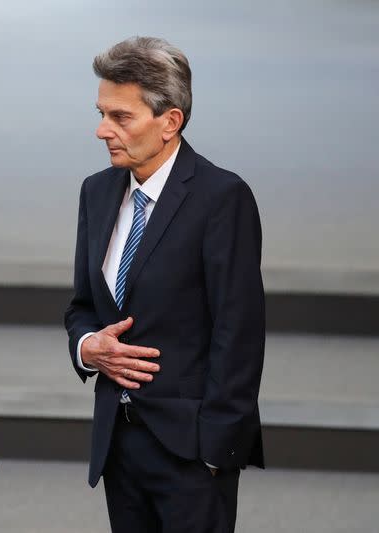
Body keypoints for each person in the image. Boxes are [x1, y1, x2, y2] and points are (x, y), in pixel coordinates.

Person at [64, 37, 265, 533]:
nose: (101, 130)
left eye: (120, 117)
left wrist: (215, 455)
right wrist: (89, 347)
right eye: (101, 113)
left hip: (192, 453)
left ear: (170, 122)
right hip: (119, 446)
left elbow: (237, 333)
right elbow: (82, 307)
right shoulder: (97, 191)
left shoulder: (223, 198)